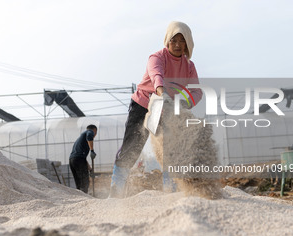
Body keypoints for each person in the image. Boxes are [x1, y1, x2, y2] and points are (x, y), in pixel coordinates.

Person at [109, 21, 203, 198]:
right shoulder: (157, 57)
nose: (177, 45)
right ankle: (116, 191)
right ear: (167, 40)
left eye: (182, 41)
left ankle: (170, 191)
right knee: (133, 148)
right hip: (144, 106)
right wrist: (163, 93)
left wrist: (183, 103)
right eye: (173, 40)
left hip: (167, 110)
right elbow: (156, 77)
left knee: (169, 150)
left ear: (188, 44)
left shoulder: (189, 67)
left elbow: (197, 91)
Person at [69, 124, 97, 193]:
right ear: (95, 130)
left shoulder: (81, 139)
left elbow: (82, 159)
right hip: (78, 160)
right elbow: (90, 135)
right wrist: (92, 150)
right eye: (95, 133)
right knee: (84, 182)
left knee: (79, 183)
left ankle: (80, 198)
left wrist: (90, 170)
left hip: (72, 160)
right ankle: (85, 198)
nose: (95, 135)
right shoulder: (89, 131)